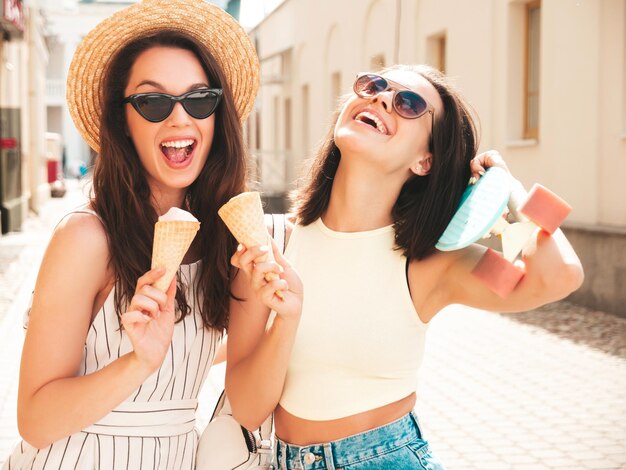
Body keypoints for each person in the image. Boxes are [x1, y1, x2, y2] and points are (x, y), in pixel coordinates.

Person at [225, 64, 584, 469]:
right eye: (373, 85)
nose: (380, 98)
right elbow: (247, 410)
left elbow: (559, 275)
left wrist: (508, 188)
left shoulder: (434, 264)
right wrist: (286, 321)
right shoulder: (270, 244)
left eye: (408, 103)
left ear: (425, 161)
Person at [2, 0, 258, 468]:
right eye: (153, 101)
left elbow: (195, 351)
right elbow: (34, 420)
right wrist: (138, 361)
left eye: (199, 99)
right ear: (123, 122)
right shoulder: (87, 238)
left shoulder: (223, 240)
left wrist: (279, 312)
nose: (180, 118)